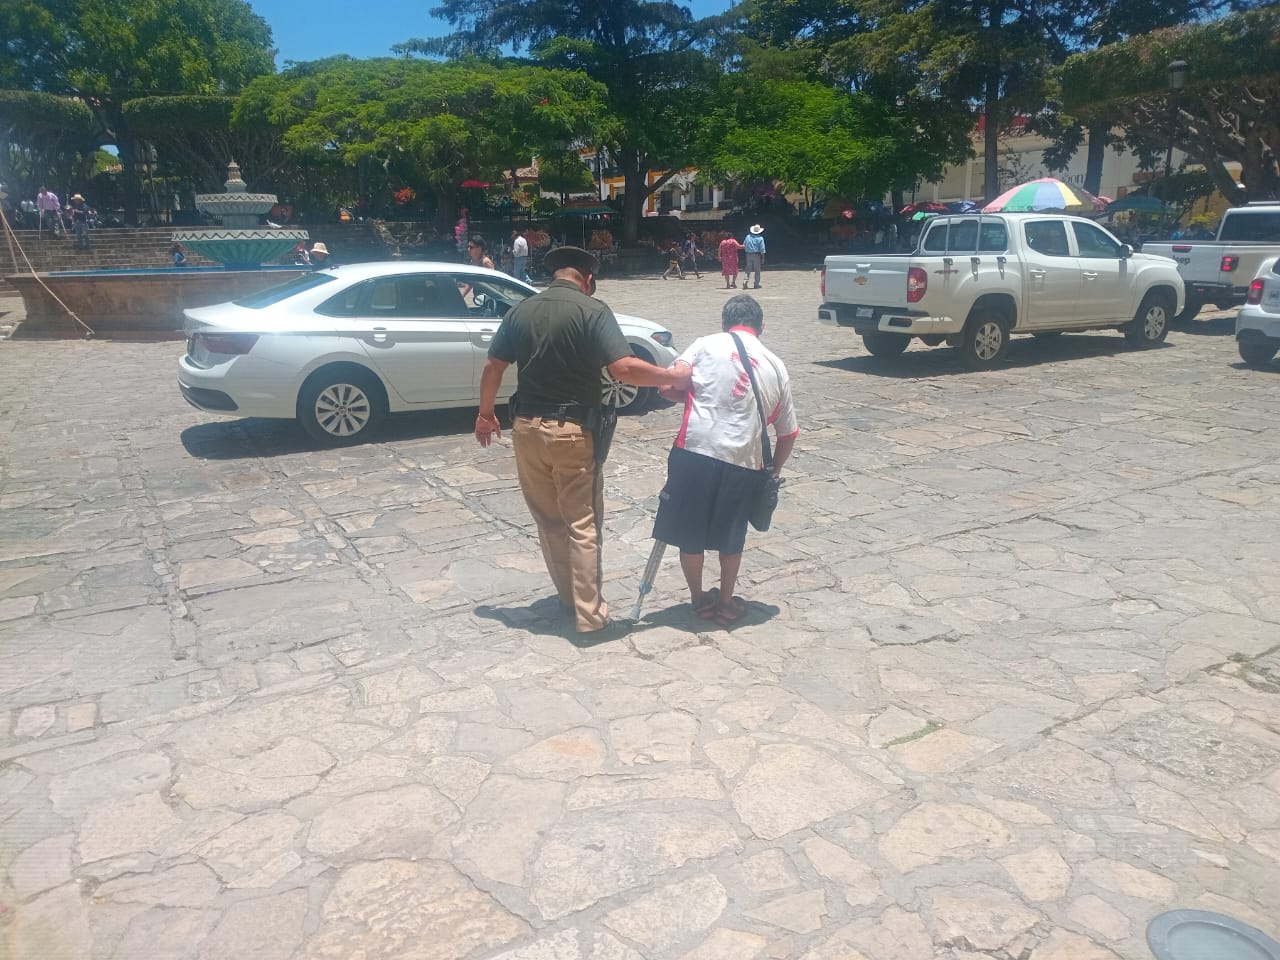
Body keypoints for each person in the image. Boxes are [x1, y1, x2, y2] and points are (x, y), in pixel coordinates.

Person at [474, 246, 691, 636]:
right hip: (571, 433)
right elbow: (623, 368)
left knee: (549, 521)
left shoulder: (521, 310)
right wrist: (672, 377)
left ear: (553, 275)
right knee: (582, 522)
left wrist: (485, 414)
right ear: (587, 280)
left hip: (526, 430)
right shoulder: (592, 311)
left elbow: (494, 365)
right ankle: (589, 614)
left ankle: (569, 598)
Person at [652, 294, 799, 626]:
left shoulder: (704, 344)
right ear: (761, 327)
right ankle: (727, 604)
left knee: (690, 533)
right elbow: (788, 432)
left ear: (724, 323)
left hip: (694, 450)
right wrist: (773, 471)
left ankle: (699, 600)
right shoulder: (776, 365)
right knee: (732, 536)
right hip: (743, 460)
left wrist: (698, 397)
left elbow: (667, 386)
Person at [743, 223, 766, 289]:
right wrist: (763, 258)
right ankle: (756, 284)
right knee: (757, 270)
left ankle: (745, 282)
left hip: (748, 254)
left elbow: (744, 244)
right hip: (756, 255)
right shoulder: (760, 238)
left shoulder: (748, 236)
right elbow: (762, 249)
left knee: (748, 269)